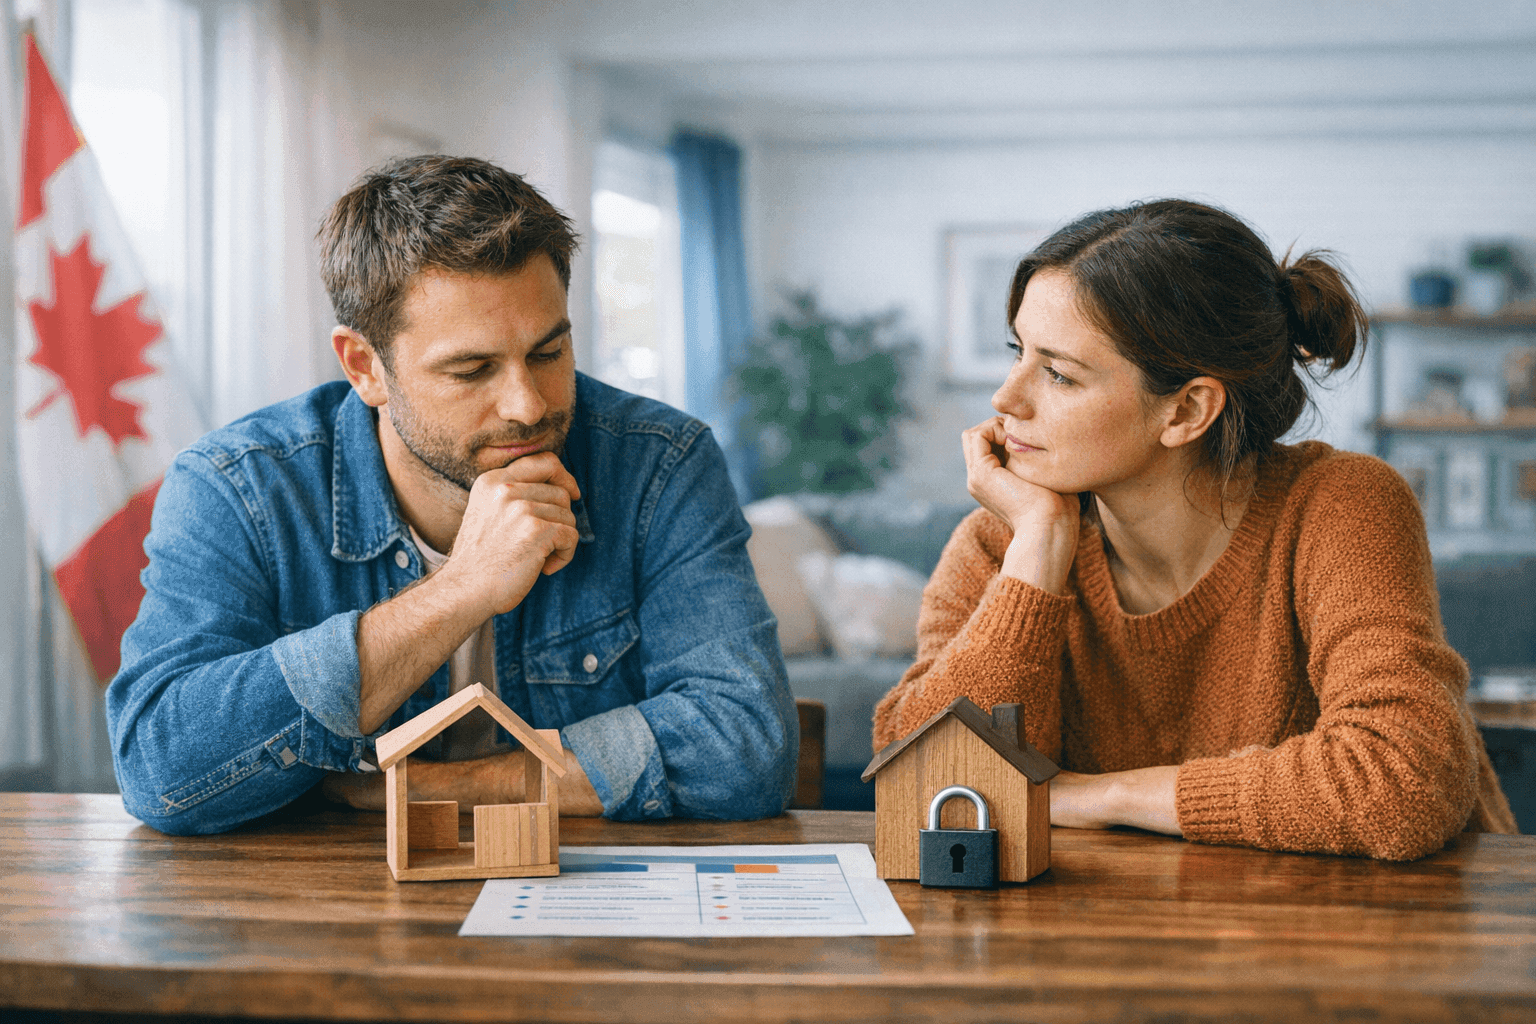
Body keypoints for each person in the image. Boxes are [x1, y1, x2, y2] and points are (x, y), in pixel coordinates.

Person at [107, 155, 797, 835]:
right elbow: (161, 769)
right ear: (365, 367)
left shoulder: (660, 464)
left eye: (550, 353)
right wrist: (462, 589)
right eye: (472, 370)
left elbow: (746, 746)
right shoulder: (237, 487)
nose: (528, 406)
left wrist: (425, 789)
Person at [873, 199, 1516, 860]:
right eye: (1018, 353)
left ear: (1185, 410)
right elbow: (919, 778)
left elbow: (1401, 783)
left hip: (1390, 932)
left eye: (1059, 374)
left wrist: (1100, 798)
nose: (1005, 399)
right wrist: (1035, 559)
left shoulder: (1339, 504)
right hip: (1119, 938)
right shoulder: (1000, 544)